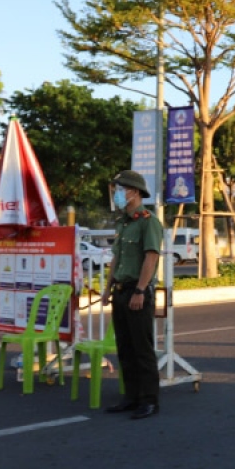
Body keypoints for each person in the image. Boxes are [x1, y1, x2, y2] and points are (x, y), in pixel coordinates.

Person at [104, 170, 164, 419]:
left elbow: (151, 257)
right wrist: (108, 288)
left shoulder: (148, 221)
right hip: (120, 291)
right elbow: (117, 258)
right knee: (125, 348)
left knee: (142, 348)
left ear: (135, 192)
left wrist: (140, 289)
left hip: (136, 291)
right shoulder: (123, 223)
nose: (117, 194)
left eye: (121, 189)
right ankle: (131, 397)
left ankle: (148, 400)